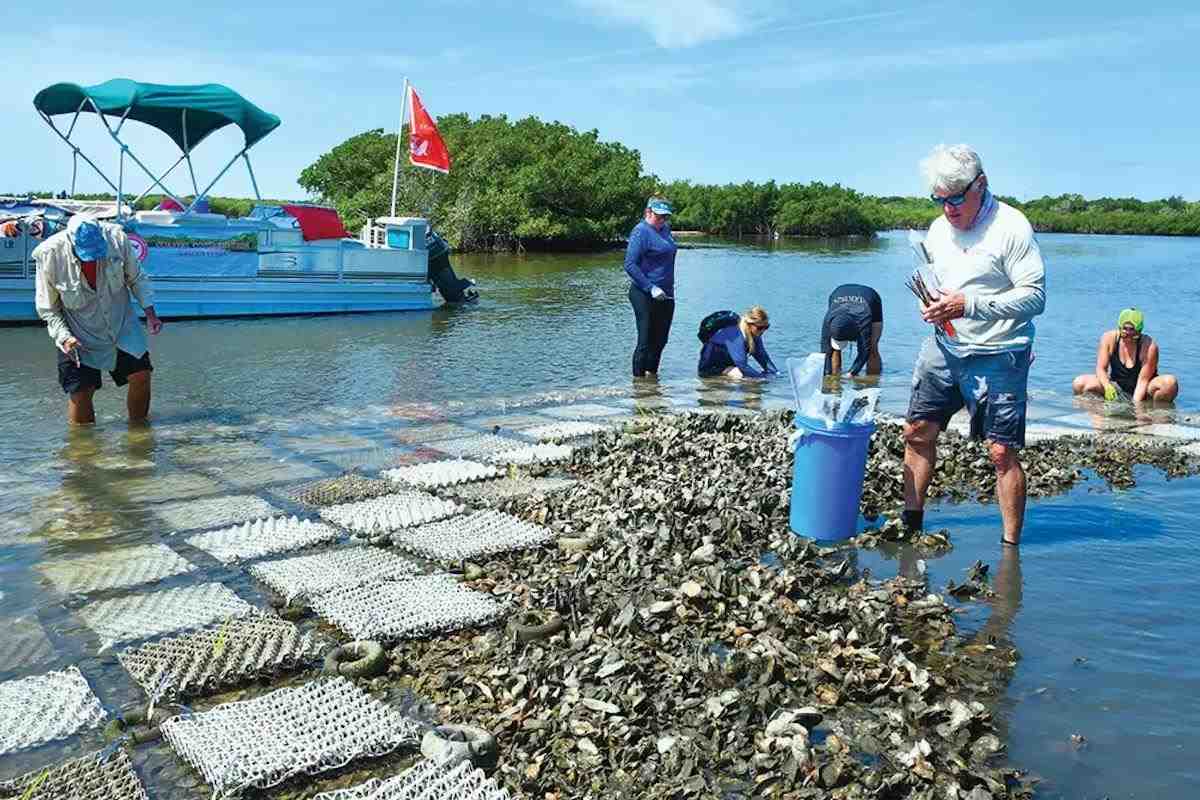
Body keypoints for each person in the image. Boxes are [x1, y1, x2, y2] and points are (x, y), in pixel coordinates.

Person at [903, 144, 1046, 548]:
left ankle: (1010, 550)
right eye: (939, 199)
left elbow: (1036, 297)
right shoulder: (937, 229)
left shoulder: (1012, 228)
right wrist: (930, 305)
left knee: (1001, 451)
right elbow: (932, 279)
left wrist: (970, 305)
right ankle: (910, 526)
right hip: (945, 346)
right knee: (916, 430)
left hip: (1002, 350)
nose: (948, 208)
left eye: (956, 198)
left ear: (980, 184)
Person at [34, 214, 164, 426]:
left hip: (120, 324)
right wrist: (65, 337)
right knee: (81, 390)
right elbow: (48, 308)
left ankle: (139, 435)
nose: (93, 259)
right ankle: (84, 451)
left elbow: (136, 278)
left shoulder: (117, 238)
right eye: (87, 255)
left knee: (141, 375)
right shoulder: (49, 254)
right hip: (76, 331)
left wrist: (150, 313)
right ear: (71, 242)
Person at [1072, 308, 1179, 403]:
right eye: (1125, 329)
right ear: (1119, 327)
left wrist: (1135, 407)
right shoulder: (1109, 338)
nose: (1128, 333)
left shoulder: (1149, 346)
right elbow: (1101, 369)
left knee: (1169, 383)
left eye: (1132, 330)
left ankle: (1155, 410)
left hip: (1144, 389)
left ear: (1139, 330)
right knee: (1080, 383)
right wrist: (1107, 386)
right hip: (1117, 385)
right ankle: (1100, 408)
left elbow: (1143, 381)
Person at [624, 197, 677, 378]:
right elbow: (630, 265)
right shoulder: (641, 232)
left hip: (667, 294)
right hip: (643, 293)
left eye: (666, 217)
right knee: (645, 340)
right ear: (648, 212)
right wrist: (650, 287)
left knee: (661, 340)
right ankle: (638, 385)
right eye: (659, 216)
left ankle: (651, 381)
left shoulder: (666, 230)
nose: (662, 220)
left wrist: (665, 288)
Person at [698, 306, 779, 379]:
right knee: (740, 375)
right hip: (711, 368)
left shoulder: (755, 334)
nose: (763, 330)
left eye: (766, 327)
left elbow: (762, 357)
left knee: (750, 377)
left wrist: (776, 374)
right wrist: (761, 378)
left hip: (728, 364)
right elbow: (741, 365)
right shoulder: (734, 334)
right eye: (760, 327)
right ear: (749, 324)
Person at [820, 283, 883, 376]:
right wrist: (827, 374)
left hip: (870, 299)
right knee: (834, 350)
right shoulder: (828, 321)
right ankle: (834, 378)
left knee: (872, 347)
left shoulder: (863, 323)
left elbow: (865, 351)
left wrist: (852, 373)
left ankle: (873, 382)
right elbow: (825, 353)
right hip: (838, 293)